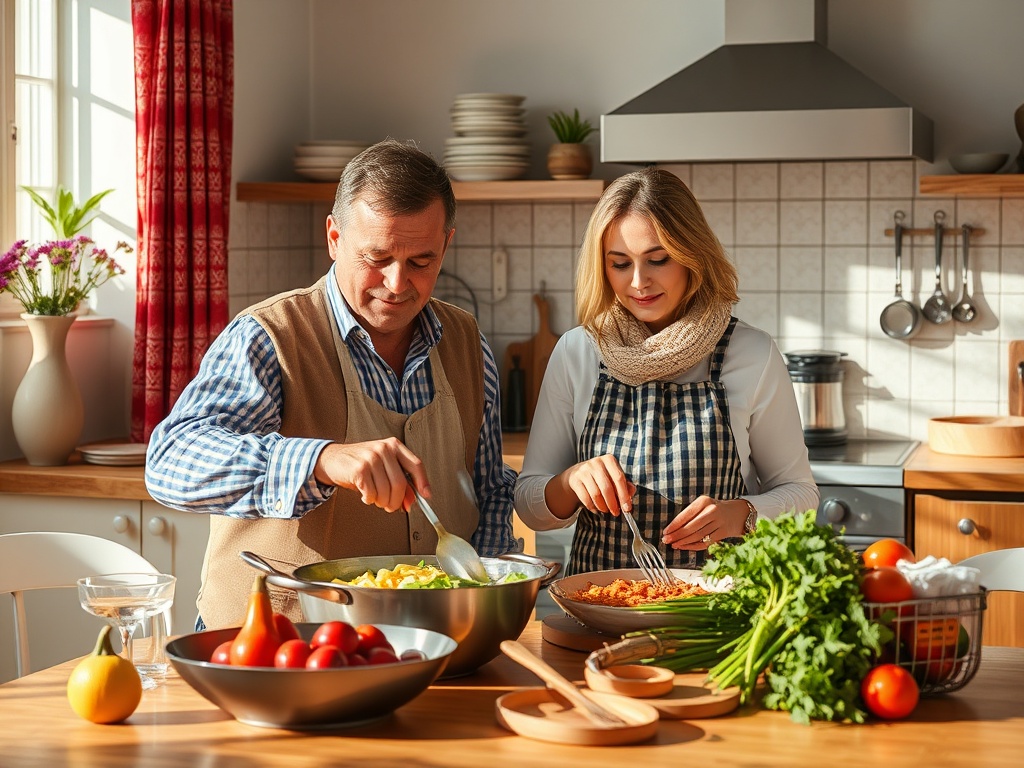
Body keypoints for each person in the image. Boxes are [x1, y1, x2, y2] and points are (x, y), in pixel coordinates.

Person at [146, 139, 518, 629]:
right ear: (334, 238)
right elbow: (172, 462)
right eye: (376, 256)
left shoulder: (468, 340)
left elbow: (489, 491)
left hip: (432, 644)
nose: (397, 283)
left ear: (446, 244)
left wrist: (488, 594)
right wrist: (320, 460)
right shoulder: (270, 336)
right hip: (278, 647)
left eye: (421, 261)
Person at [513, 167, 818, 576]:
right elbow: (529, 504)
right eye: (620, 264)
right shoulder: (578, 351)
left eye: (658, 259)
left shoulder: (751, 353)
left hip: (717, 612)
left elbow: (801, 495)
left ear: (693, 255)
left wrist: (739, 514)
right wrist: (570, 483)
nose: (639, 282)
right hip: (599, 608)